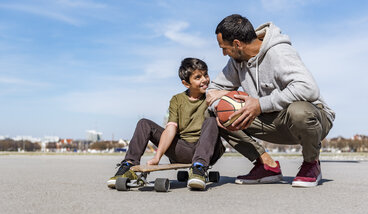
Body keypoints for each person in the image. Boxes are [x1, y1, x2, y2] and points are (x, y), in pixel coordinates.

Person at [207, 14, 335, 187]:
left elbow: (308, 88)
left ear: (237, 44)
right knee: (218, 114)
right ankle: (266, 165)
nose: (223, 53)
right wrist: (219, 104)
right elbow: (213, 90)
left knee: (299, 111)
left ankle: (312, 164)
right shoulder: (236, 62)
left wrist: (260, 104)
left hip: (313, 119)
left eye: (224, 48)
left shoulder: (279, 52)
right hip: (272, 119)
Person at [107, 58, 225, 190]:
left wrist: (221, 94)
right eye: (198, 77)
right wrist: (157, 157)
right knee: (144, 123)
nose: (204, 80)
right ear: (186, 83)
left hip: (208, 150)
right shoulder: (177, 100)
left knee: (211, 121)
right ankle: (129, 166)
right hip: (183, 150)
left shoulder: (212, 96)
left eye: (206, 75)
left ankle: (199, 167)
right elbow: (170, 128)